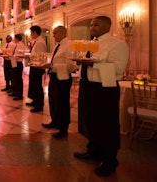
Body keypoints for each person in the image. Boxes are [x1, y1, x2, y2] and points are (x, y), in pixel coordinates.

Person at [74, 16, 129, 177]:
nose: (92, 26)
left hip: (105, 88)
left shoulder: (117, 44)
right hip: (87, 86)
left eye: (96, 24)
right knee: (89, 120)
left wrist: (92, 63)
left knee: (106, 124)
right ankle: (93, 151)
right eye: (91, 24)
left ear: (107, 26)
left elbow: (118, 69)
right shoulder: (91, 44)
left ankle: (110, 160)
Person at [40, 26, 76, 139]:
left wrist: (51, 66)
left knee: (62, 103)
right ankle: (54, 121)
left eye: (55, 33)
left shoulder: (69, 46)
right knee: (53, 100)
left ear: (63, 33)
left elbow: (71, 66)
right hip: (54, 77)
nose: (53, 35)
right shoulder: (57, 45)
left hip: (63, 78)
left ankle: (63, 128)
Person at [25, 25, 47, 112]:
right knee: (33, 84)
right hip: (34, 65)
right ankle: (35, 101)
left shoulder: (40, 42)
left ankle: (39, 105)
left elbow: (40, 56)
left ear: (34, 32)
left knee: (37, 86)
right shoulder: (36, 41)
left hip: (38, 66)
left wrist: (29, 56)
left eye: (31, 32)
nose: (30, 34)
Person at [9, 34, 26, 100]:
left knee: (18, 79)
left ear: (17, 39)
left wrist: (12, 56)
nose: (13, 39)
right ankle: (15, 92)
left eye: (14, 38)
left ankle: (19, 94)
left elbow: (20, 54)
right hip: (15, 63)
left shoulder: (21, 45)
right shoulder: (17, 45)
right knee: (14, 78)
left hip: (18, 63)